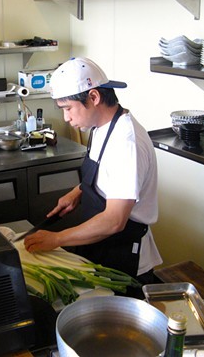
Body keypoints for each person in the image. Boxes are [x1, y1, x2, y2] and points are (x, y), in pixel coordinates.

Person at [24, 57, 162, 284]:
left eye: (68, 108)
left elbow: (115, 220)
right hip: (100, 246)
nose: (66, 118)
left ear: (94, 97)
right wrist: (78, 191)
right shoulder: (100, 126)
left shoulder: (127, 143)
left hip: (124, 256)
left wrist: (57, 238)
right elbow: (107, 174)